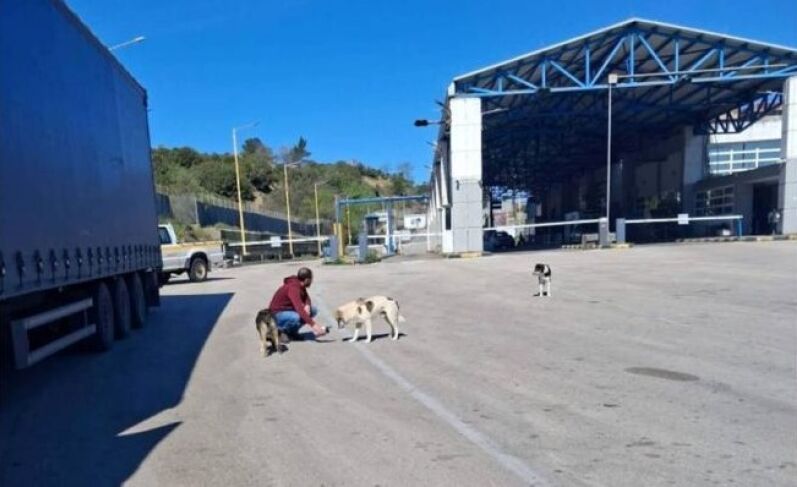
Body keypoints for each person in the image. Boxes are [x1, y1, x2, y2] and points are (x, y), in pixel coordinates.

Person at [268, 267, 327, 341]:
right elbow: (299, 308)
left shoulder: (300, 284)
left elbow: (306, 297)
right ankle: (279, 332)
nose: (312, 281)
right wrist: (314, 325)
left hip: (286, 310)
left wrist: (307, 305)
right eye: (311, 279)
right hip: (275, 314)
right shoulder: (293, 288)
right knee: (296, 317)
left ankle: (291, 332)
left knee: (313, 310)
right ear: (306, 280)